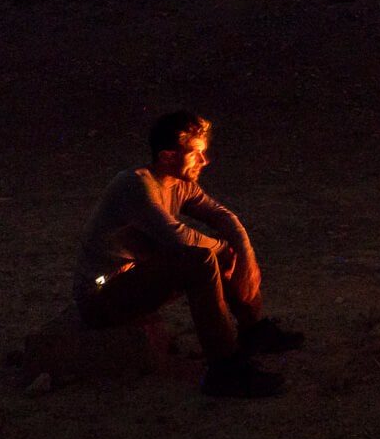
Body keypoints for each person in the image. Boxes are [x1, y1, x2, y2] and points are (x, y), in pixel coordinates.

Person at [74, 110, 303, 398]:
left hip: (133, 282)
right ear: (168, 156)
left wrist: (244, 252)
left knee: (212, 252)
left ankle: (251, 329)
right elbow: (177, 236)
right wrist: (225, 251)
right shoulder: (134, 185)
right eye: (196, 155)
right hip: (101, 296)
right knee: (201, 258)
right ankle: (224, 369)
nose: (205, 162)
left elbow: (221, 216)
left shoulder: (179, 183)